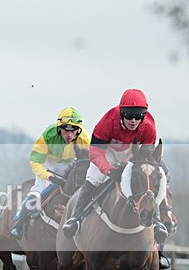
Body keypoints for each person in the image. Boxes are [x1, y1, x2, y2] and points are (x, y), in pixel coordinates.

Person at [61, 88, 168, 244]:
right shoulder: (106, 122)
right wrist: (109, 170)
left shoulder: (149, 126)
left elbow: (146, 157)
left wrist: (134, 165)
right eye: (129, 115)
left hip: (133, 153)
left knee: (152, 177)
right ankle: (75, 218)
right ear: (121, 112)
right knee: (94, 176)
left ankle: (158, 222)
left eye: (138, 116)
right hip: (107, 152)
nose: (133, 120)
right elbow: (96, 153)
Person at [9, 107, 90, 239]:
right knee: (39, 189)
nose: (69, 135)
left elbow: (88, 161)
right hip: (48, 162)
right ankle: (19, 223)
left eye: (74, 131)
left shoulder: (85, 139)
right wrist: (49, 176)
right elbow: (35, 162)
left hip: (69, 164)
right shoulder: (48, 135)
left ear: (78, 130)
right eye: (65, 130)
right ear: (59, 129)